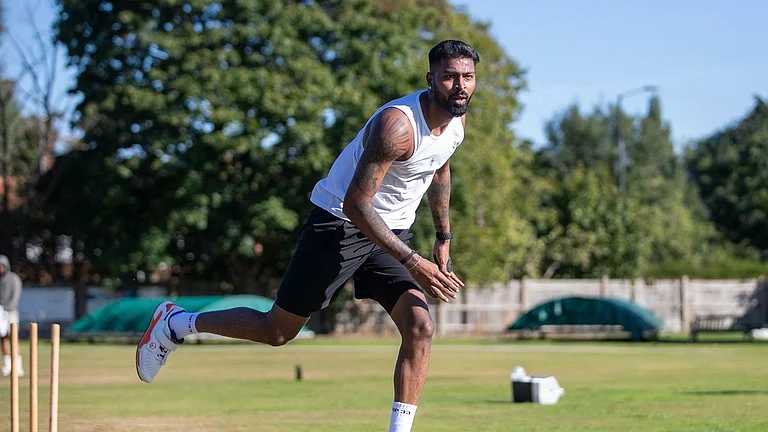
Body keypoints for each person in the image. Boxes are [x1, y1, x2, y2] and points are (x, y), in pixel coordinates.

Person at [136, 39, 479, 432]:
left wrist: (443, 235)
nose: (460, 86)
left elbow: (439, 168)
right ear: (430, 78)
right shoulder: (397, 127)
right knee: (277, 331)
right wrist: (412, 260)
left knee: (420, 326)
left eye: (467, 77)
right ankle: (177, 323)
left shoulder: (457, 121)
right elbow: (357, 205)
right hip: (339, 225)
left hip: (389, 232)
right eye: (450, 76)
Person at [1, 254, 24, 377]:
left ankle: (18, 366)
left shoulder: (14, 278)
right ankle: (7, 365)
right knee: (3, 338)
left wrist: (7, 307)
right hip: (0, 312)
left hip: (11, 312)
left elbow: (16, 296)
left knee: (14, 337)